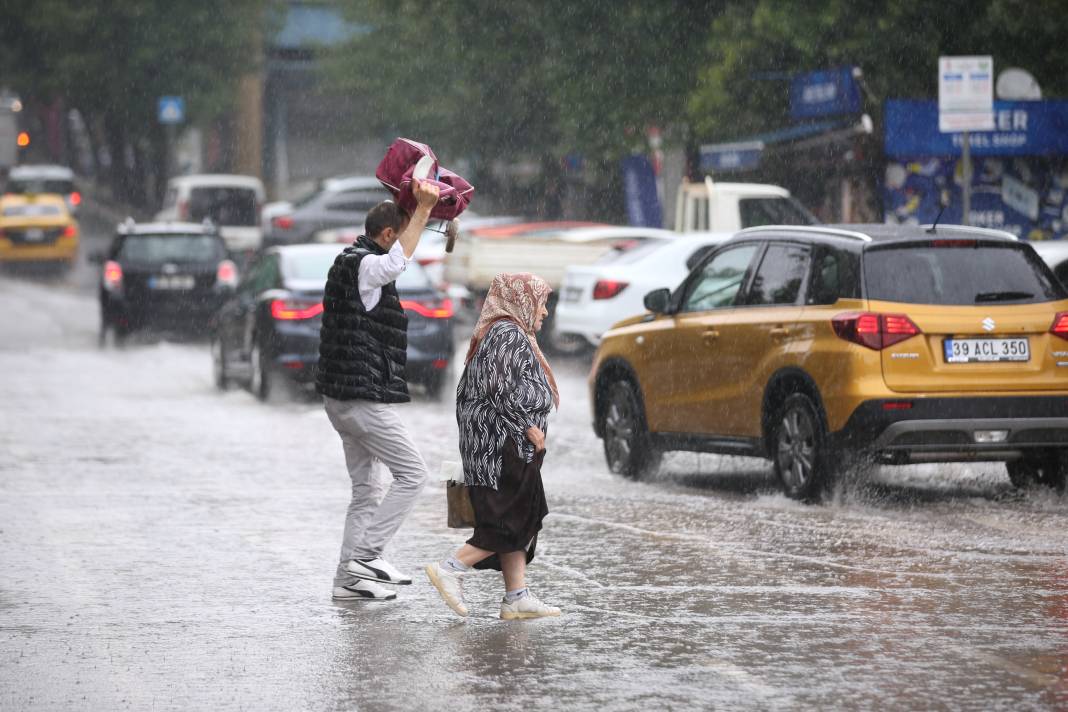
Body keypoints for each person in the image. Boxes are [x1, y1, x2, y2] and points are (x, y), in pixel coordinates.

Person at [317, 179, 440, 601]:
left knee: (368, 491)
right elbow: (394, 264)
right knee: (414, 474)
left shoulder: (348, 260)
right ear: (388, 236)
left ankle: (347, 582)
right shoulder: (368, 265)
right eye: (402, 236)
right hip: (358, 398)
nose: (406, 243)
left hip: (340, 398)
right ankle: (366, 557)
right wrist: (422, 210)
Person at [425, 272, 562, 620]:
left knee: (520, 517)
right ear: (522, 300)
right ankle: (450, 568)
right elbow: (498, 388)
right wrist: (527, 425)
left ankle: (517, 596)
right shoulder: (507, 334)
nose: (544, 312)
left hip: (505, 446)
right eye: (542, 303)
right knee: (505, 522)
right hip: (502, 448)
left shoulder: (509, 333)